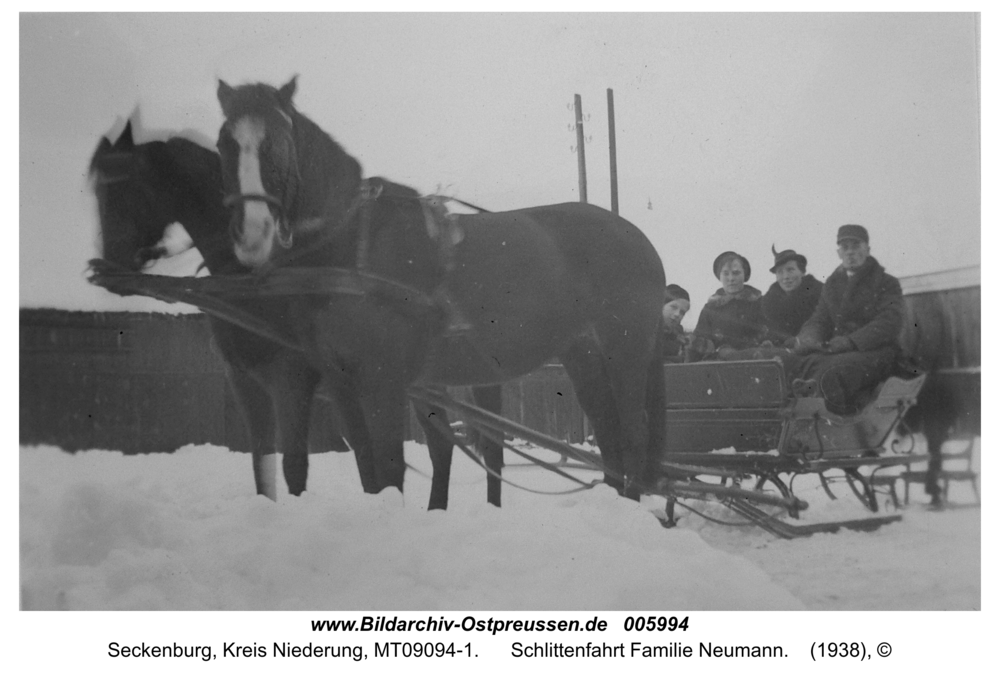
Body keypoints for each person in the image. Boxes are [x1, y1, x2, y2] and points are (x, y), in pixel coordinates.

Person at [792, 224, 903, 414]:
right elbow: (819, 319)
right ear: (838, 253)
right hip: (839, 350)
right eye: (845, 247)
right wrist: (808, 338)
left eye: (856, 245)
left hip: (877, 352)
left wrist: (851, 341)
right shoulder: (832, 285)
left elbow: (888, 322)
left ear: (867, 249)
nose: (850, 252)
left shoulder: (886, 282)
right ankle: (802, 414)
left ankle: (833, 424)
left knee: (832, 372)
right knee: (801, 363)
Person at [690, 251, 768, 361]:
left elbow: (771, 335)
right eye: (725, 274)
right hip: (719, 365)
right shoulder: (710, 308)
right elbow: (698, 344)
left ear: (744, 275)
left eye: (736, 273)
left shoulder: (760, 303)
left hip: (754, 362)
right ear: (719, 277)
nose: (731, 278)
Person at [761, 246, 823, 347]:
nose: (785, 277)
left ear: (802, 272)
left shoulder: (819, 294)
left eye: (790, 270)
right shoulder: (769, 303)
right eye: (780, 272)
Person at [660, 284, 691, 363]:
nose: (677, 314)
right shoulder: (648, 329)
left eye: (682, 312)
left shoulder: (678, 333)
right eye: (673, 307)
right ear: (661, 305)